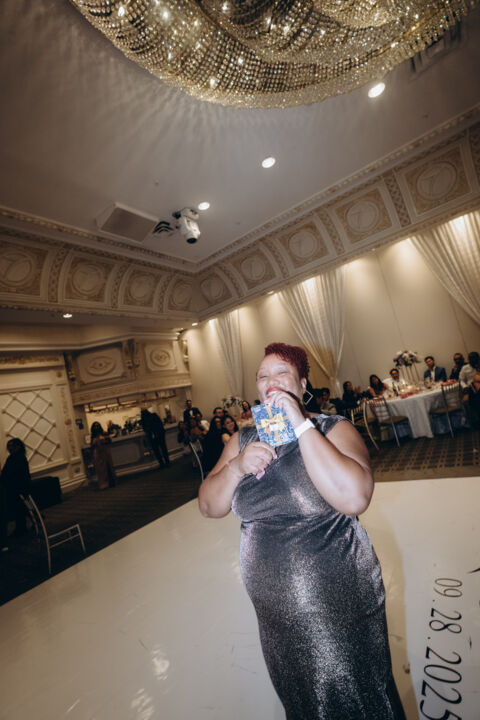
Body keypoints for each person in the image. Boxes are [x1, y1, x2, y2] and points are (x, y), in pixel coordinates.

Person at [198, 342, 406, 720]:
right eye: (263, 376)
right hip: (274, 612)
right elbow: (209, 506)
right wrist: (237, 467)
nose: (271, 381)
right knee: (303, 699)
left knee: (355, 693)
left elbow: (355, 497)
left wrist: (300, 423)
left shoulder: (333, 428)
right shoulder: (243, 438)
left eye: (282, 373)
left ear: (303, 384)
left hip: (336, 597)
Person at [0, 438, 31, 544]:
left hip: (17, 489)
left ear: (18, 446)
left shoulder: (17, 458)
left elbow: (14, 474)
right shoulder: (15, 457)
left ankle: (20, 530)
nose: (9, 448)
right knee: (19, 510)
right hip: (15, 489)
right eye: (8, 446)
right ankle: (22, 528)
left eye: (11, 446)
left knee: (19, 510)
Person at [90, 422, 117, 490]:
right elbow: (92, 445)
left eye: (97, 426)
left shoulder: (104, 433)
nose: (96, 428)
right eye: (95, 426)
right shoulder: (93, 436)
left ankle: (111, 482)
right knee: (101, 469)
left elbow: (109, 441)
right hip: (98, 453)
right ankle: (104, 484)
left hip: (105, 451)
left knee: (108, 466)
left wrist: (104, 438)